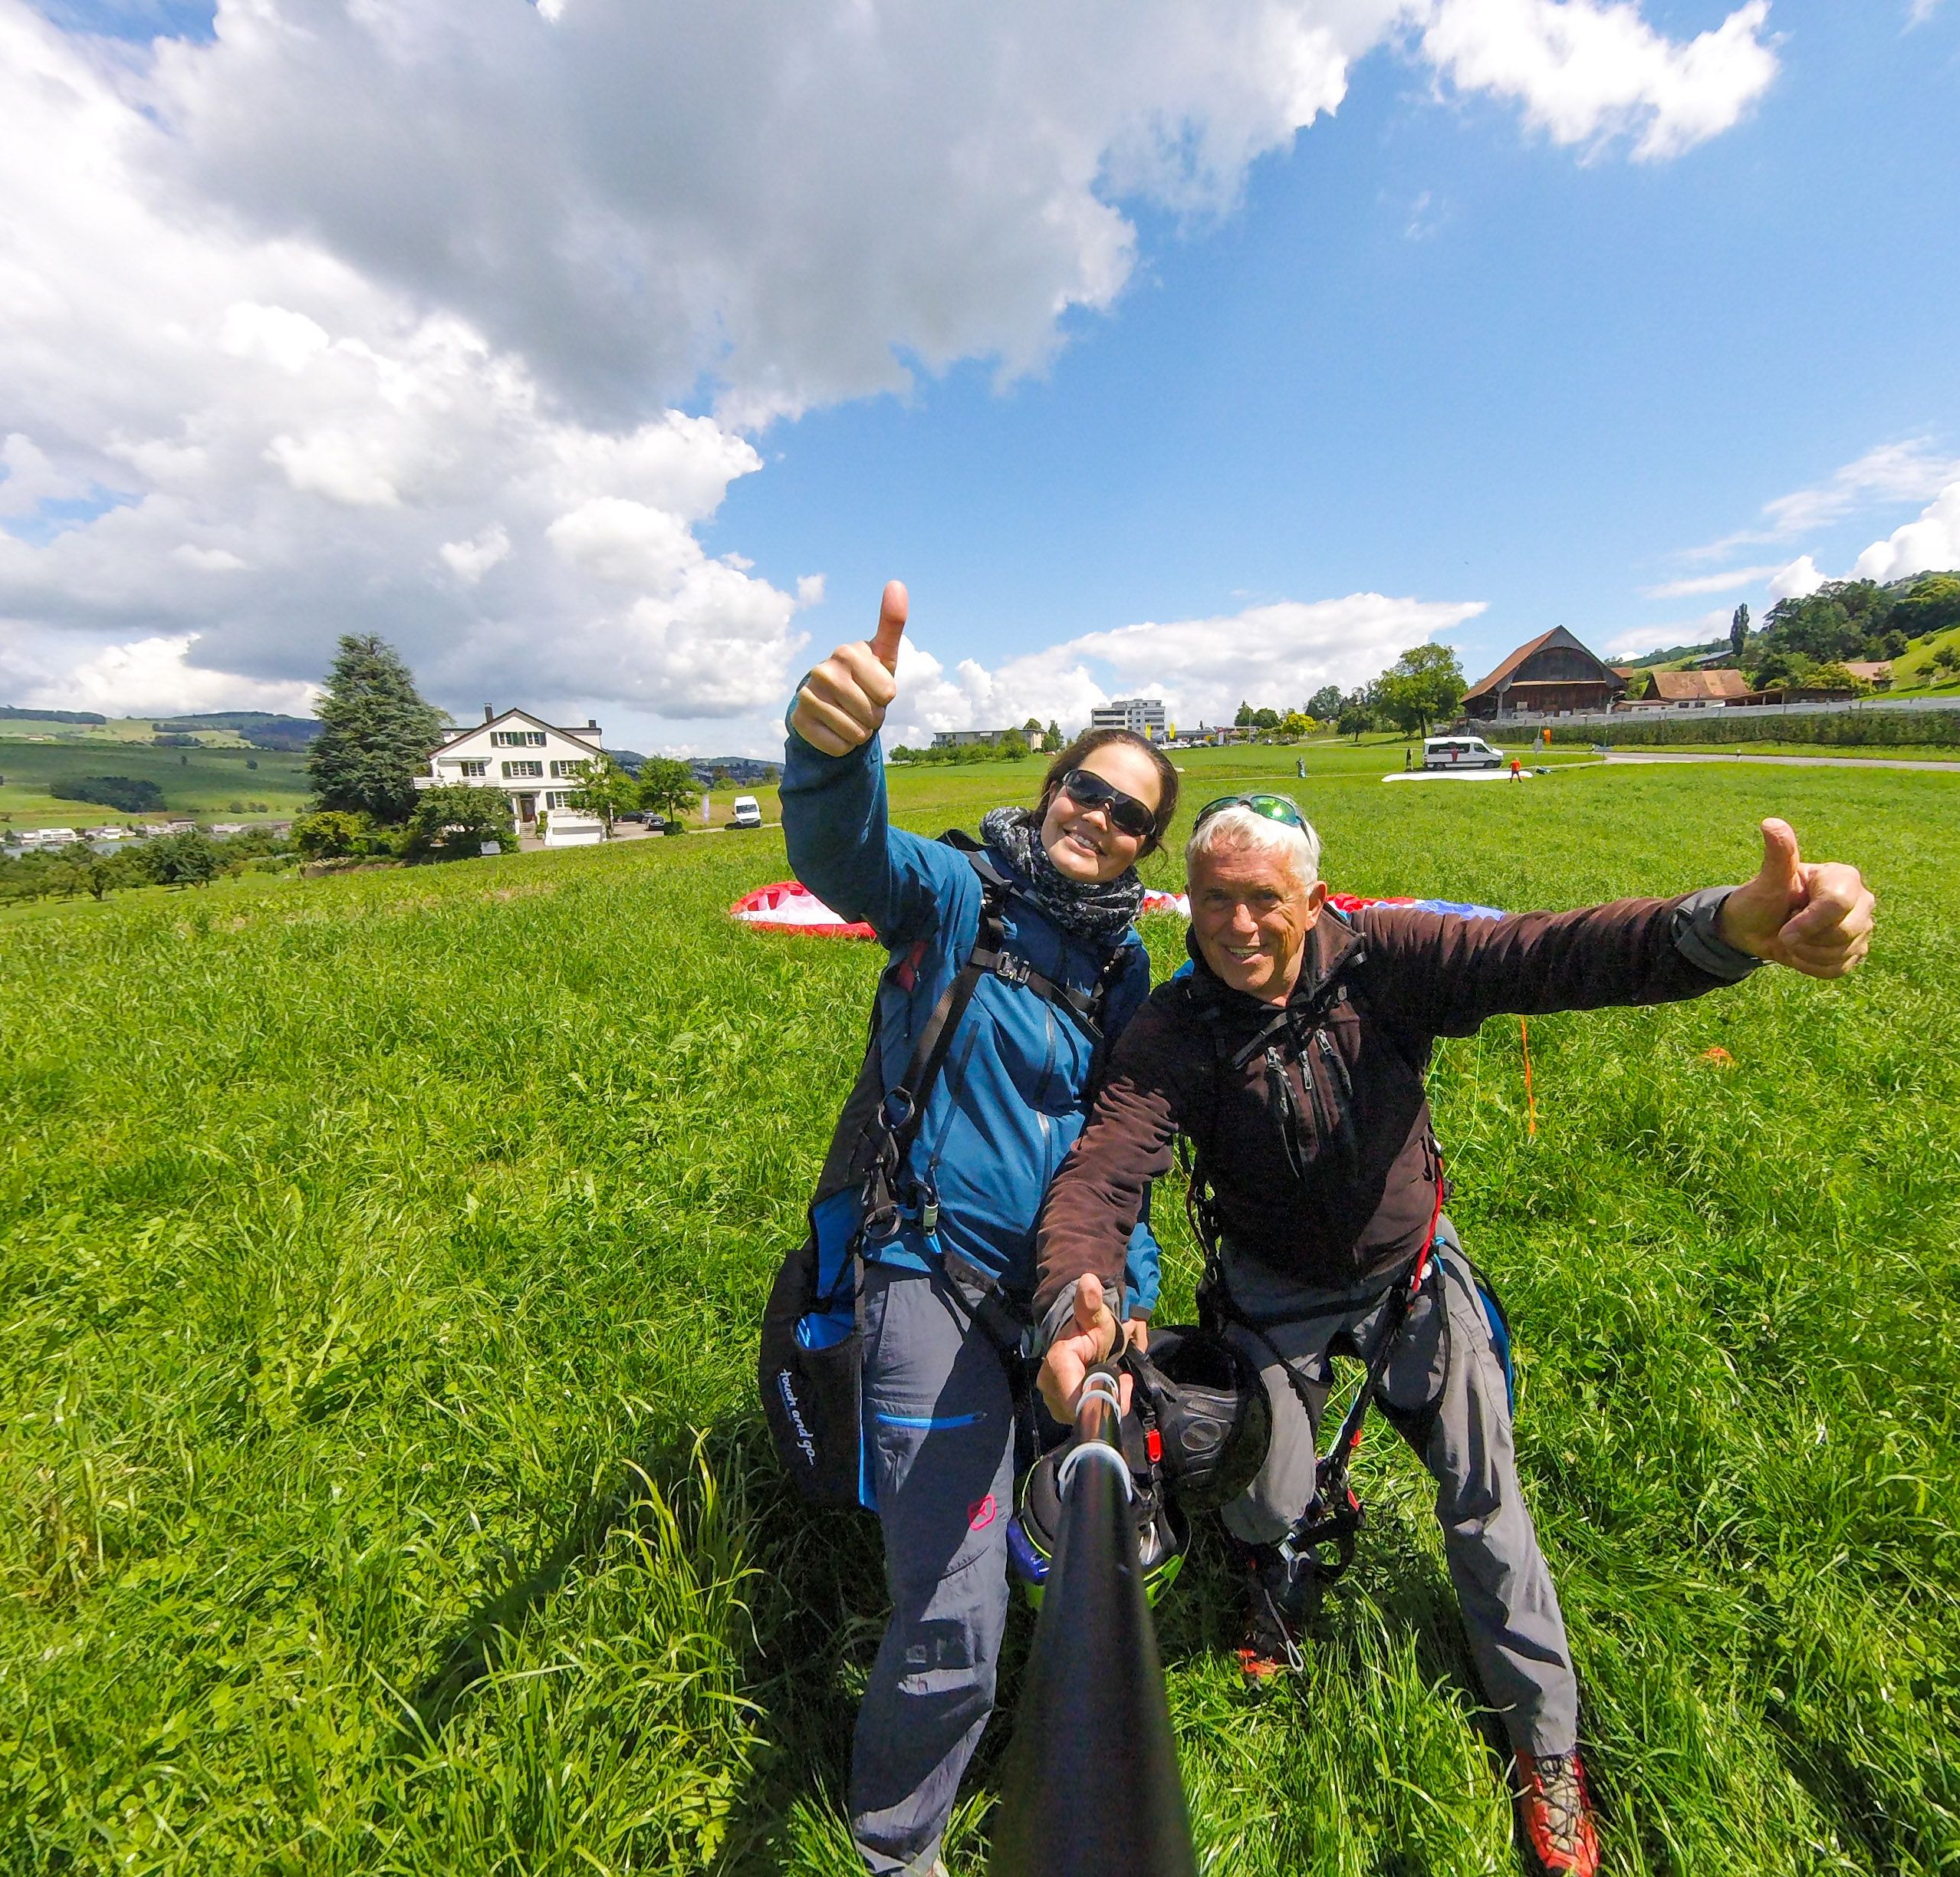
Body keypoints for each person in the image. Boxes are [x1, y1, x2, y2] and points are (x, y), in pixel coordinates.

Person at [1031, 792, 1875, 1877]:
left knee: (1486, 1505)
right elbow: (1106, 1170)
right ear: (1184, 903)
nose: (1236, 926)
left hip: (1411, 1274)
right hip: (1271, 1290)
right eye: (1212, 901)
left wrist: (1718, 930)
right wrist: (1076, 1299)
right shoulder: (1175, 1027)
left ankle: (1546, 1747)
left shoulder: (1386, 961)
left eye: (1264, 900)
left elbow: (1546, 955)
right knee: (1262, 1499)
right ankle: (1277, 1576)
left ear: (1314, 901)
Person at [783, 581, 1179, 1877]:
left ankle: (1012, 1516)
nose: (1097, 818)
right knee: (955, 1624)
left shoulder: (1125, 972)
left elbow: (1123, 1159)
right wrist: (833, 754)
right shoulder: (959, 894)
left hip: (1053, 1300)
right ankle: (896, 1850)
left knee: (1091, 1544)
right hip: (929, 1274)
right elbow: (850, 859)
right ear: (1051, 788)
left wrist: (1122, 1294)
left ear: (1143, 848)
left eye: (1129, 815)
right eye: (1086, 790)